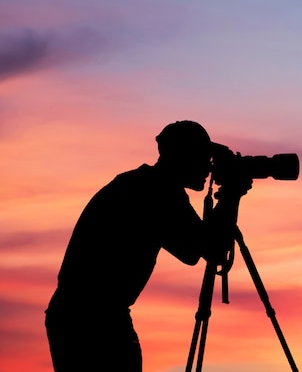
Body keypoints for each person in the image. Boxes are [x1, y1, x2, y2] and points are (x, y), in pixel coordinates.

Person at [45, 120, 250, 372]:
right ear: (183, 157)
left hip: (80, 316)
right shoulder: (159, 192)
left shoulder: (140, 183)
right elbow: (204, 250)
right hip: (94, 321)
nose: (208, 167)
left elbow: (199, 247)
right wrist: (232, 194)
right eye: (201, 157)